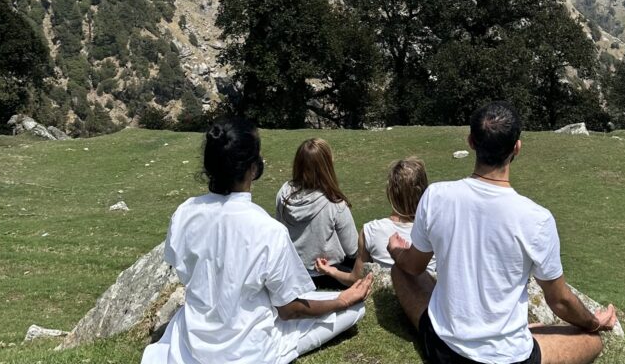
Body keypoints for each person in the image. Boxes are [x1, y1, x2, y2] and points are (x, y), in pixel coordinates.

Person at [389, 102, 619, 364]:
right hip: (507, 359)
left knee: (399, 270)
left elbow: (413, 266)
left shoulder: (436, 195)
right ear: (516, 148)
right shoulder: (536, 218)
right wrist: (592, 322)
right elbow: (560, 302)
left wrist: (395, 250)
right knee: (592, 341)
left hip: (443, 349)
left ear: (471, 142)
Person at [142, 118, 372, 364]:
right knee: (354, 309)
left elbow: (185, 271)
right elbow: (289, 310)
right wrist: (341, 300)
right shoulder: (268, 230)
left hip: (193, 342)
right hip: (249, 350)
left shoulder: (184, 213)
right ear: (253, 168)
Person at [314, 157, 437, 284]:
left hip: (387, 300)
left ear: (390, 192)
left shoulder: (371, 230)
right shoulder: (435, 229)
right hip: (426, 299)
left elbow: (356, 279)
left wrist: (330, 270)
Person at [275, 138, 357, 275]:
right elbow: (353, 249)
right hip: (327, 272)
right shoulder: (334, 203)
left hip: (293, 271)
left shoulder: (284, 193)